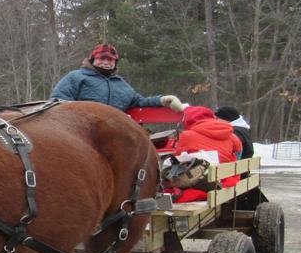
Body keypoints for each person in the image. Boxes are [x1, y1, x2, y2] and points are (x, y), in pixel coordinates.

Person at [51, 44, 184, 114]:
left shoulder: (122, 84)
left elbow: (139, 101)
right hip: (81, 130)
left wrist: (163, 100)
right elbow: (58, 101)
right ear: (93, 60)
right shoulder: (76, 77)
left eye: (110, 59)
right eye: (102, 58)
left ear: (115, 63)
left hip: (114, 131)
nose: (106, 62)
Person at [162, 105, 243, 202]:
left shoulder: (187, 135)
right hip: (223, 176)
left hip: (199, 176)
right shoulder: (229, 133)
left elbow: (178, 156)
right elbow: (239, 148)